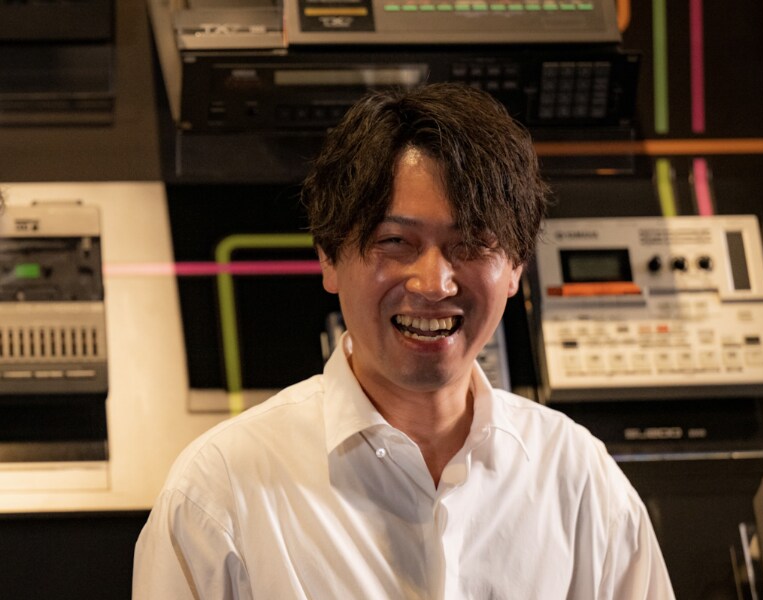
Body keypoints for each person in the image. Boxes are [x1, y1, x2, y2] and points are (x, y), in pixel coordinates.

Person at [132, 83, 675, 599]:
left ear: (515, 267)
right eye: (395, 241)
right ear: (328, 256)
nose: (433, 284)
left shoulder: (580, 480)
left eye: (470, 243)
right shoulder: (218, 492)